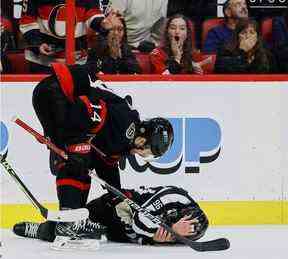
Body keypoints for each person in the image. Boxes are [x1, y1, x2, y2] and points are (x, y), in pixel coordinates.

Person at [30, 62, 174, 235]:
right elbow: (85, 107)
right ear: (143, 139)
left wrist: (117, 196)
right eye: (149, 151)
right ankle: (70, 219)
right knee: (77, 159)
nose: (145, 155)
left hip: (57, 96)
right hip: (55, 92)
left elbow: (107, 163)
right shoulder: (125, 127)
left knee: (82, 160)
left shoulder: (125, 135)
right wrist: (73, 145)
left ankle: (70, 221)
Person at [13, 185, 209, 245]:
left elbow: (146, 235)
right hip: (116, 208)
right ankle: (41, 229)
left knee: (92, 235)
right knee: (71, 227)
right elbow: (140, 223)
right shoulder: (175, 197)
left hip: (128, 233)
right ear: (181, 213)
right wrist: (168, 231)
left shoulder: (184, 233)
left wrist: (163, 238)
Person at [19, 0, 121, 73]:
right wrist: (38, 43)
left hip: (76, 60)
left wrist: (102, 24)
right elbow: (27, 20)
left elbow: (92, 15)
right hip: (41, 62)